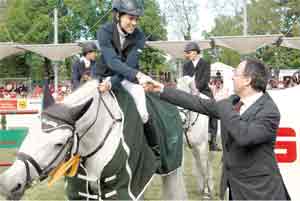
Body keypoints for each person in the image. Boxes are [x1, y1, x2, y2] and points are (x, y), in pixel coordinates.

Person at [143, 59, 290, 200]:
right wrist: (161, 89)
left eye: (236, 74)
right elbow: (198, 103)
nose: (232, 78)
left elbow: (244, 135)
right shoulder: (234, 102)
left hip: (260, 192)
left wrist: (223, 103)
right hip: (234, 187)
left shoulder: (269, 111)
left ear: (248, 80)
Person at [96, 0, 153, 123]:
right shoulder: (104, 31)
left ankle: (150, 139)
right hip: (102, 75)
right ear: (118, 16)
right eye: (131, 18)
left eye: (137, 19)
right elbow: (111, 61)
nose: (134, 23)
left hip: (126, 78)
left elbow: (130, 65)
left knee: (142, 108)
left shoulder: (140, 36)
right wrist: (137, 74)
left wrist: (112, 82)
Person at [182, 42, 221, 151]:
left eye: (188, 53)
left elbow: (205, 79)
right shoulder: (186, 66)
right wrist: (191, 91)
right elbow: (185, 80)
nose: (187, 55)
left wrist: (197, 90)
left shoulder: (205, 63)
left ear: (195, 52)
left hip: (203, 91)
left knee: (214, 110)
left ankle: (212, 141)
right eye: (186, 53)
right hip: (189, 92)